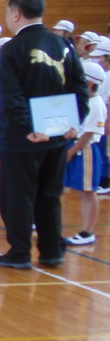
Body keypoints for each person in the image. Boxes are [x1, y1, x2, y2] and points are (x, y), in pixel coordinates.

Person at [0, 0, 89, 270]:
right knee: (49, 194)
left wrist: (29, 129)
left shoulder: (12, 49)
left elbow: (11, 96)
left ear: (16, 14)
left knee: (17, 195)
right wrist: (73, 123)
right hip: (58, 136)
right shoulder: (64, 45)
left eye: (8, 12)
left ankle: (20, 251)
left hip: (23, 139)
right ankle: (51, 250)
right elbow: (80, 88)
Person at [63, 60, 105, 246]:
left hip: (85, 151)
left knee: (88, 192)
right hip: (76, 148)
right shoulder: (83, 101)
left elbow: (88, 134)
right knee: (81, 192)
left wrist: (71, 152)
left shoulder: (96, 104)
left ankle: (88, 231)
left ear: (89, 83)